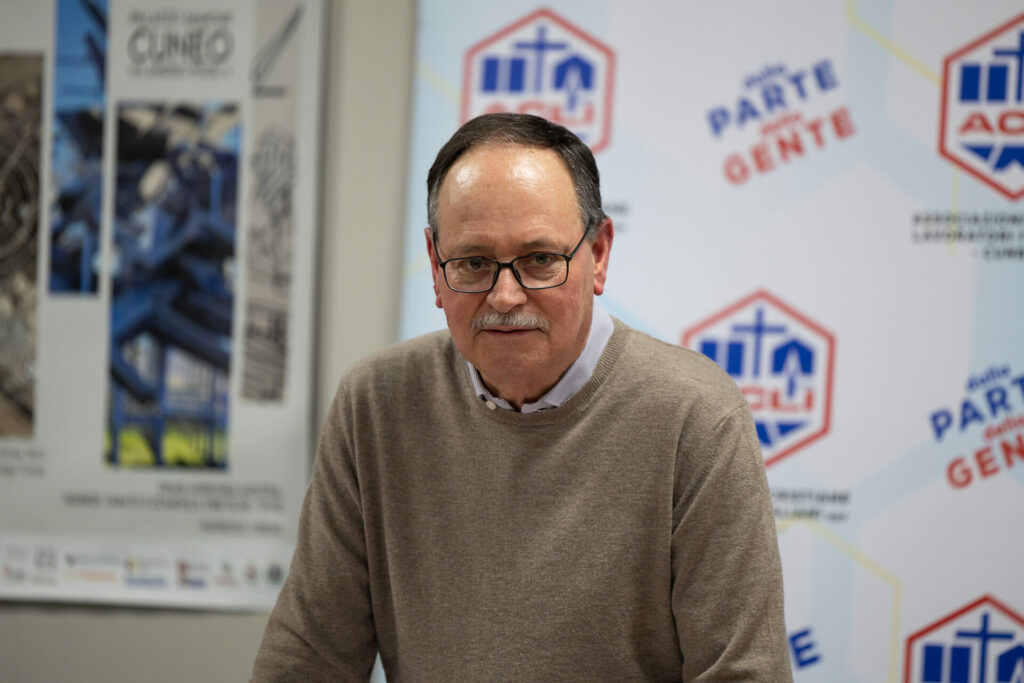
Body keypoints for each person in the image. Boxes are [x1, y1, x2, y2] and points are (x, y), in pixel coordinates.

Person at [251, 113, 792, 681]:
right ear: (435, 266)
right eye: (473, 263)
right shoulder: (375, 404)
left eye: (539, 259)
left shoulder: (696, 418)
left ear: (599, 254)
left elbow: (743, 674)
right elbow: (308, 658)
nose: (505, 296)